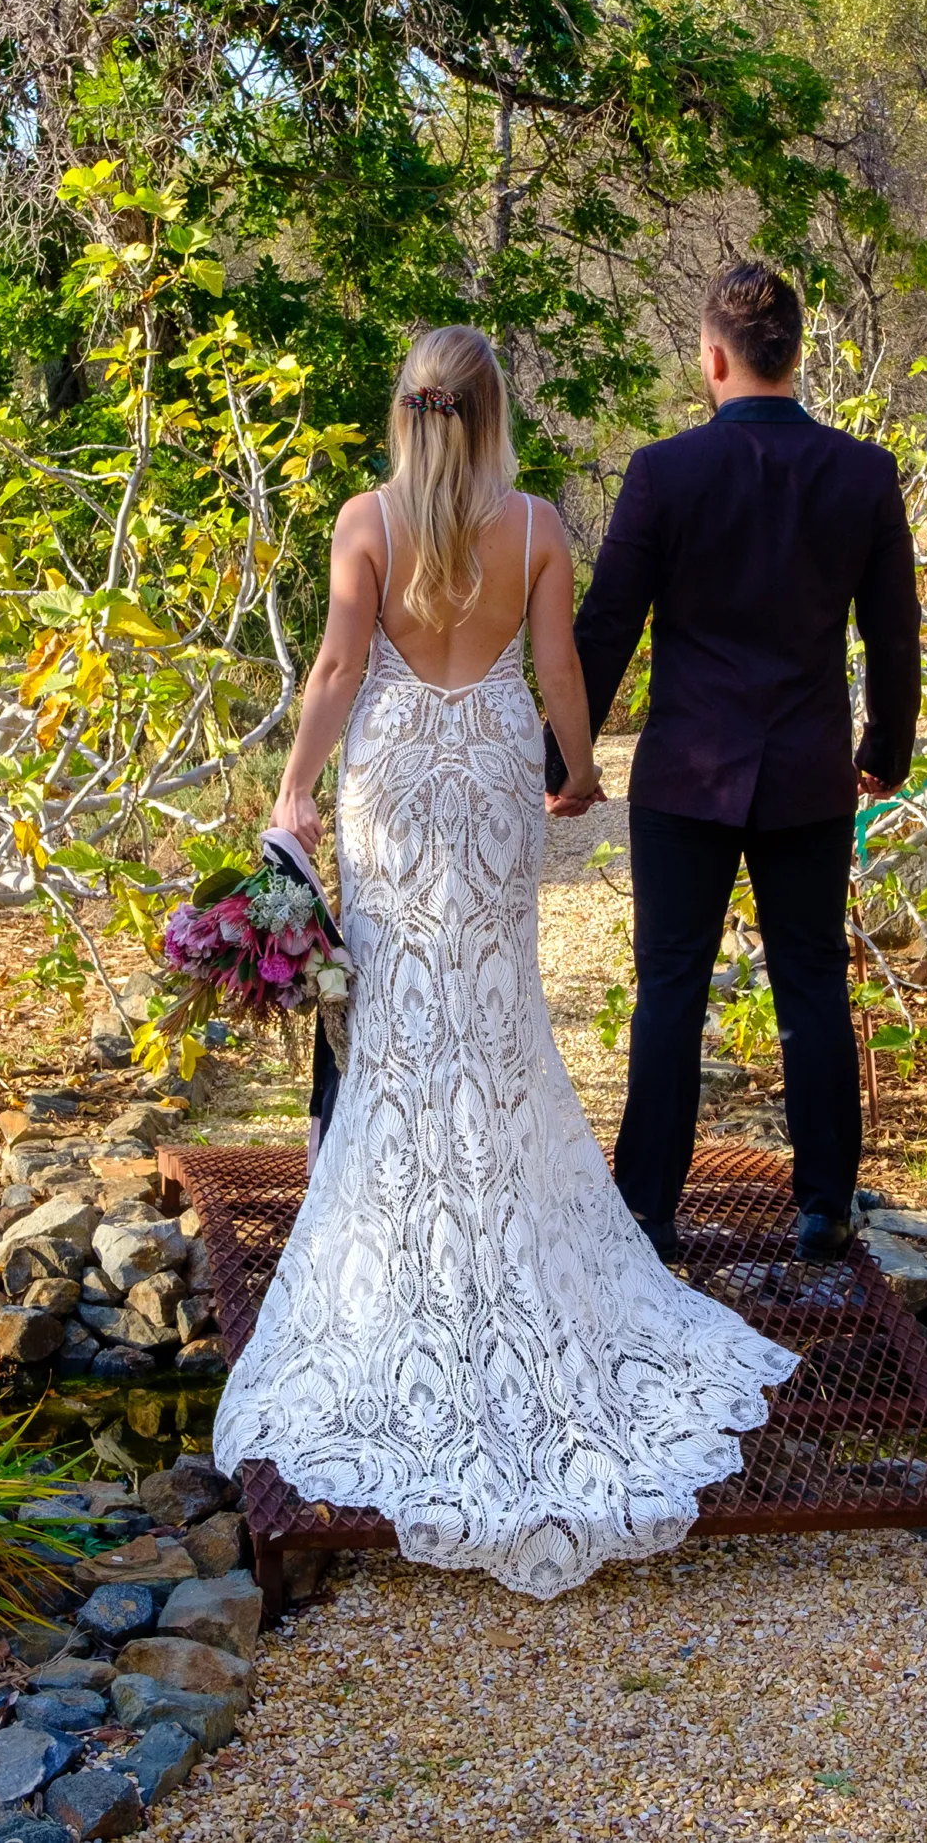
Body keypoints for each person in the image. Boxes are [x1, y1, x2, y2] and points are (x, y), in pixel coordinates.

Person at [210, 323, 797, 1600]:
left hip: (393, 786)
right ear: (493, 411)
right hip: (482, 776)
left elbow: (337, 664)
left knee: (397, 1020)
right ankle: (512, 1252)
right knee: (491, 1011)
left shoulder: (364, 520)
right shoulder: (533, 523)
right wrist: (578, 773)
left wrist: (295, 791)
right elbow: (557, 669)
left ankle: (400, 1274)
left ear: (408, 409)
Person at [546, 262, 922, 1265]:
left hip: (686, 775)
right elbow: (893, 635)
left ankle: (648, 1208)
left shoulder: (664, 472)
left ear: (712, 358)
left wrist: (561, 756)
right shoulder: (863, 472)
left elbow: (606, 628)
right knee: (810, 986)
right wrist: (887, 747)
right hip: (805, 772)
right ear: (792, 355)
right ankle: (821, 1208)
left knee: (668, 987)